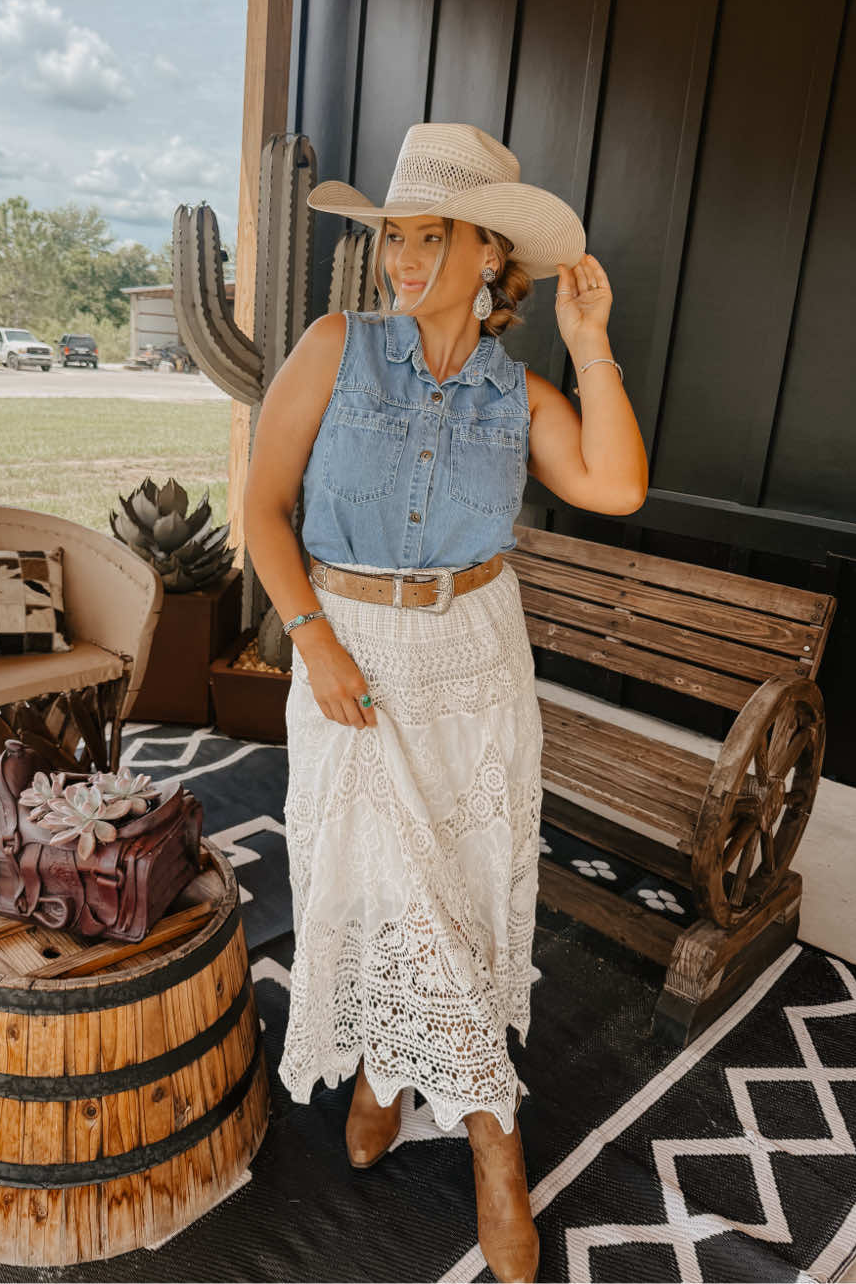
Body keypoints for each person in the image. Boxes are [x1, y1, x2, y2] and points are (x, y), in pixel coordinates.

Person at [242, 122, 647, 1284]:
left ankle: (450, 1113)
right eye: (396, 238)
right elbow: (262, 508)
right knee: (367, 882)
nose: (404, 259)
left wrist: (591, 343)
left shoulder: (519, 394)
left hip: (474, 655)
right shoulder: (334, 346)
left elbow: (615, 484)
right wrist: (312, 645)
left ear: (488, 257)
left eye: (432, 237)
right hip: (350, 648)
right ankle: (454, 1115)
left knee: (456, 892)